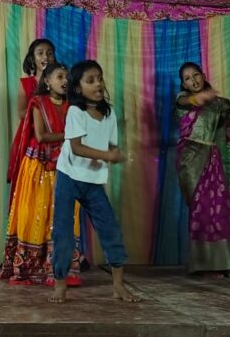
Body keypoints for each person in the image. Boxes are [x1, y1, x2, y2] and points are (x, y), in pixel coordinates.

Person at [49, 60, 138, 304]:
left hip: (92, 182)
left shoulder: (109, 114)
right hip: (69, 176)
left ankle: (118, 286)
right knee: (64, 232)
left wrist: (117, 154)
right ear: (78, 88)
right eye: (91, 80)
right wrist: (107, 156)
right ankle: (60, 284)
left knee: (110, 229)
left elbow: (112, 146)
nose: (98, 84)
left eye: (99, 78)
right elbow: (76, 147)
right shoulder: (75, 112)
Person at [0, 62, 81, 285]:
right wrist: (70, 135)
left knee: (61, 215)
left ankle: (59, 270)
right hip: (38, 166)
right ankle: (30, 269)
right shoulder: (38, 103)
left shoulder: (73, 105)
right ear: (47, 81)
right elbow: (42, 136)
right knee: (36, 213)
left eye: (67, 77)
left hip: (65, 165)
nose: (65, 81)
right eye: (59, 76)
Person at [175, 62, 230, 276]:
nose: (193, 80)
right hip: (190, 160)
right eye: (187, 78)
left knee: (219, 208)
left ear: (203, 75)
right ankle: (201, 264)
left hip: (213, 160)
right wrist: (200, 98)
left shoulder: (220, 103)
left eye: (196, 75)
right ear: (184, 84)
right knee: (200, 209)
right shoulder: (182, 100)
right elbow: (187, 101)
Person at [7, 39, 56, 184]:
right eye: (40, 53)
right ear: (32, 59)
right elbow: (21, 113)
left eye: (49, 53)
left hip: (56, 136)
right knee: (34, 180)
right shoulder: (26, 83)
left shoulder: (60, 82)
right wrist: (41, 111)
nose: (45, 57)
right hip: (33, 138)